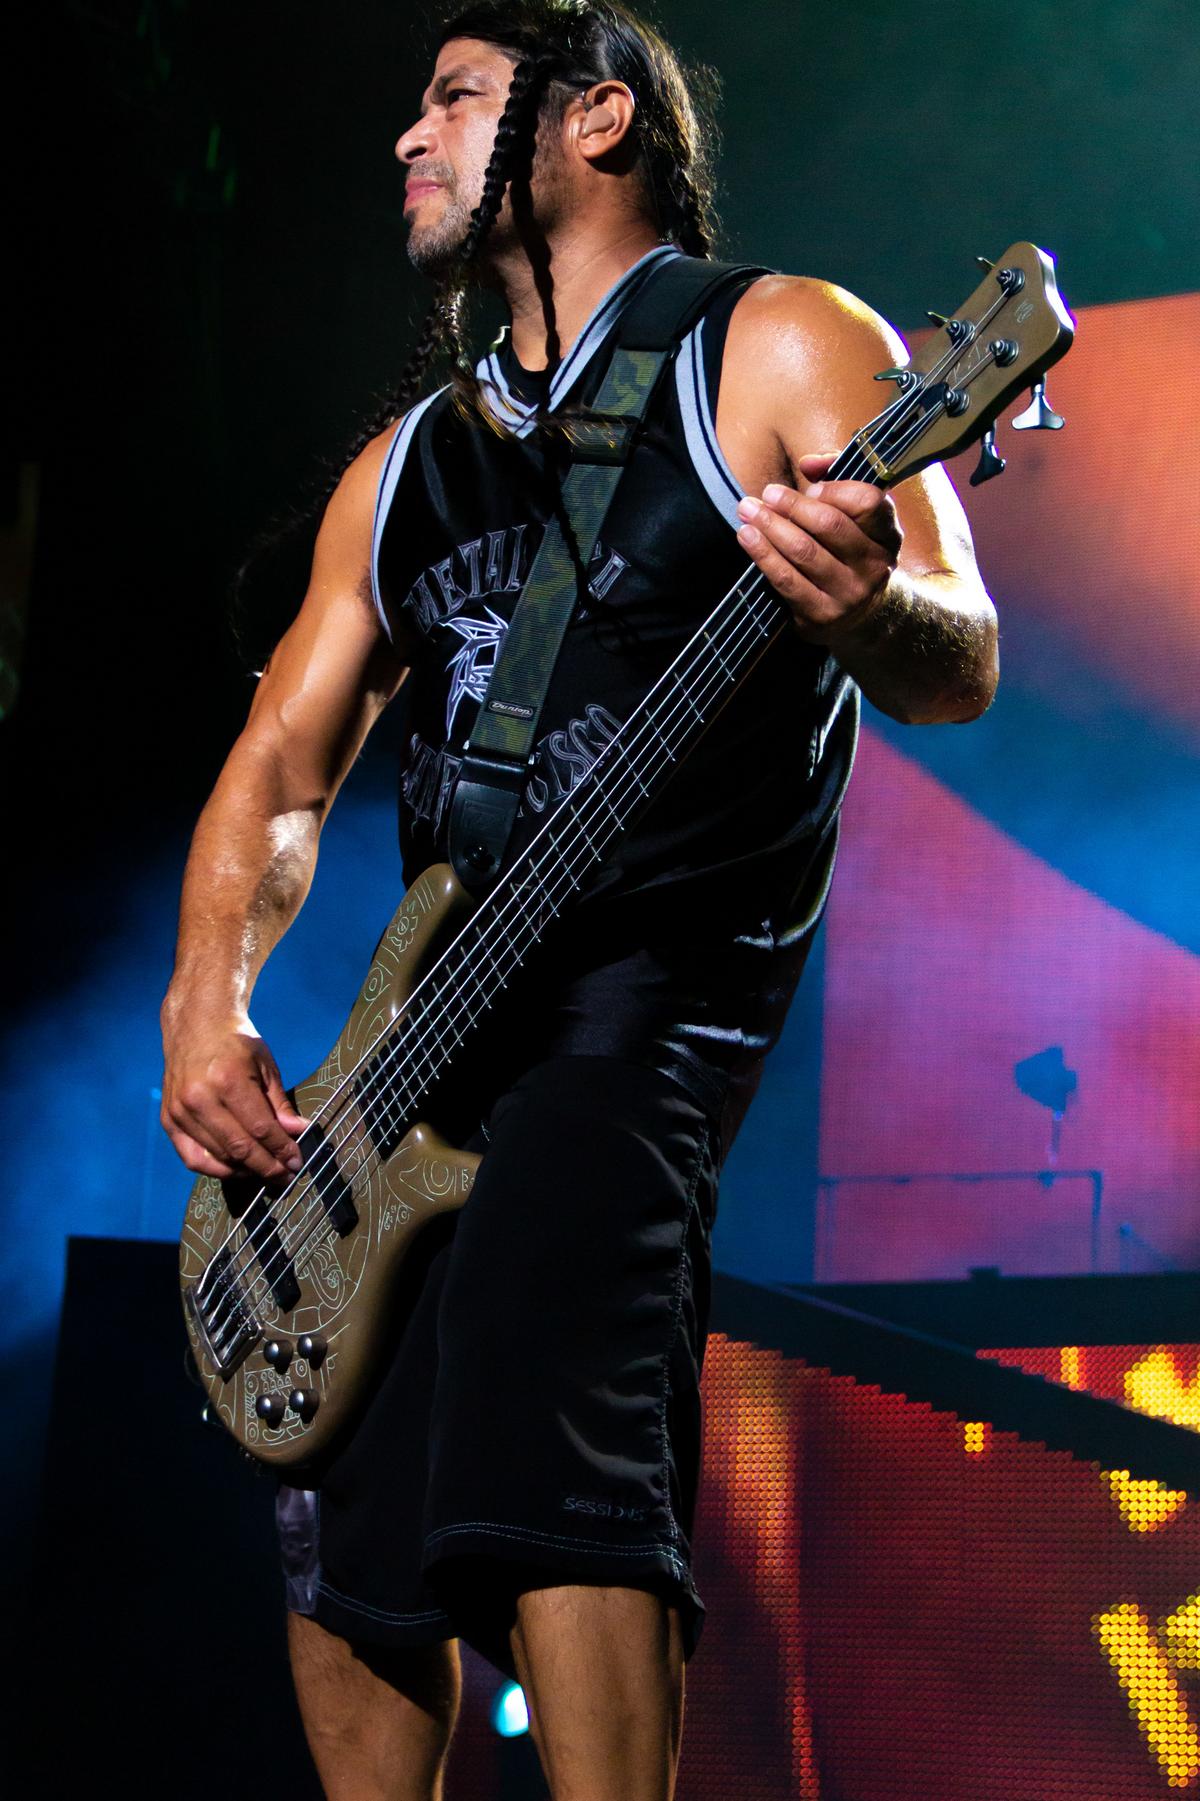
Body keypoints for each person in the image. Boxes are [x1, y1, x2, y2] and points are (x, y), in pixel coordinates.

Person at [160, 3, 997, 1797]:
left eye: (457, 97)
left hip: (644, 1007)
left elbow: (962, 650)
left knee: (554, 1427)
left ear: (598, 117)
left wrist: (869, 606)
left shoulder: (778, 340)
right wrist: (204, 1001)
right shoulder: (407, 464)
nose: (409, 136)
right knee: (342, 1517)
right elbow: (281, 766)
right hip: (428, 1030)